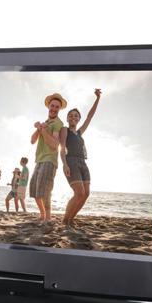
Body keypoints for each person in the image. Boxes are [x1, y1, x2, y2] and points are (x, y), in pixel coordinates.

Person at [60, 88, 102, 225]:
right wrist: (64, 164)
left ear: (79, 119)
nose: (73, 117)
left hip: (83, 163)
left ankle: (71, 219)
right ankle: (65, 219)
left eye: (76, 116)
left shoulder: (79, 132)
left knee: (86, 194)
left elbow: (90, 116)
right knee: (79, 193)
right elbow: (62, 148)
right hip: (71, 162)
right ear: (67, 118)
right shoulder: (65, 130)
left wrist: (97, 98)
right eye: (70, 115)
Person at [29, 93, 66, 222]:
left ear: (59, 109)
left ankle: (48, 218)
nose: (54, 108)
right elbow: (32, 141)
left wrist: (43, 130)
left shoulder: (58, 123)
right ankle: (43, 215)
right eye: (52, 106)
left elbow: (54, 145)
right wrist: (38, 128)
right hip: (39, 160)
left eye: (57, 107)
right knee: (34, 190)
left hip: (49, 160)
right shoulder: (45, 123)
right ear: (48, 106)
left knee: (45, 191)